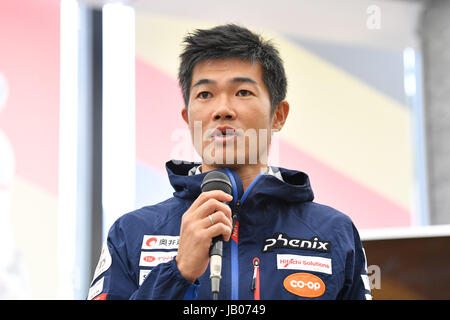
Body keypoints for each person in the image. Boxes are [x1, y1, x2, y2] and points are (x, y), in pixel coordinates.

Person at [88, 24, 372, 300]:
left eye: (243, 92)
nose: (222, 110)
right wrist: (178, 272)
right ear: (188, 119)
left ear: (278, 115)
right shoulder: (132, 232)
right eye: (205, 94)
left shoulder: (334, 231)